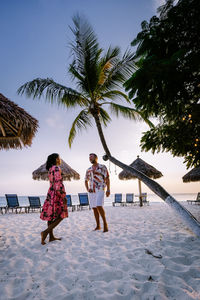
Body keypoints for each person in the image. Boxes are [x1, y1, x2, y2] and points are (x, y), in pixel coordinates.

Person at [40, 153, 68, 245]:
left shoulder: (50, 169)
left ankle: (51, 237)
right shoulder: (56, 168)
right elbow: (58, 183)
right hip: (57, 194)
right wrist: (63, 195)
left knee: (51, 216)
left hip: (51, 193)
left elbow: (53, 183)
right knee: (62, 214)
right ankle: (46, 232)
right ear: (56, 159)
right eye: (59, 158)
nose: (60, 160)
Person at [85, 153, 110, 232]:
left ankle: (105, 224)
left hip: (100, 188)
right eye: (89, 158)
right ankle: (98, 226)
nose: (90, 159)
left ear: (96, 158)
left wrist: (108, 189)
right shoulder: (88, 169)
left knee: (99, 205)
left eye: (91, 157)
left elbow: (107, 178)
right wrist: (87, 188)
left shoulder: (102, 167)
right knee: (94, 208)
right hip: (92, 191)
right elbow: (86, 180)